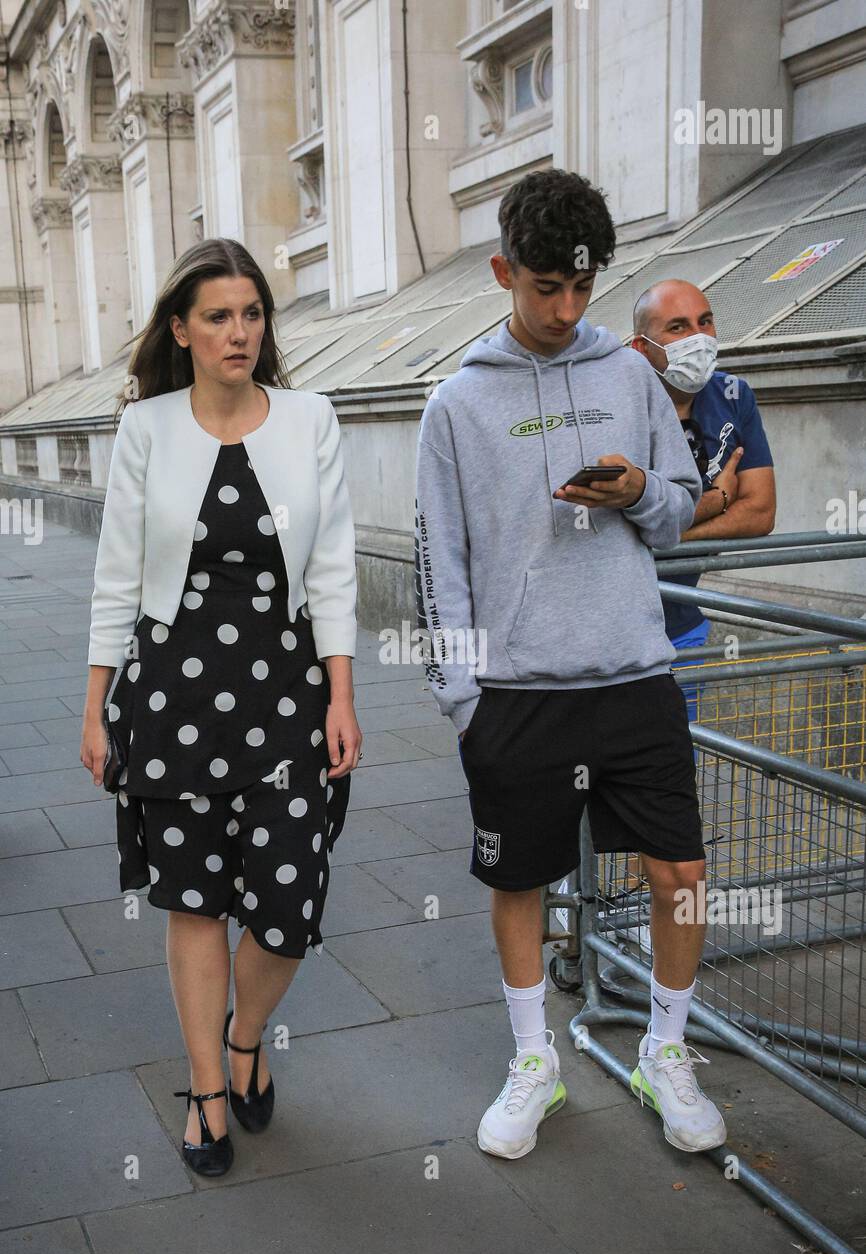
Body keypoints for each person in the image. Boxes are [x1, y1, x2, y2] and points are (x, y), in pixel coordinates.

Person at [414, 168, 727, 1162]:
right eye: (544, 286)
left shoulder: (631, 375)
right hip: (514, 695)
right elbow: (441, 567)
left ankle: (664, 1051)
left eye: (581, 288)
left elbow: (677, 512)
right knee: (522, 884)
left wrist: (638, 489)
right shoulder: (454, 404)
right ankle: (531, 1060)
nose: (564, 309)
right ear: (504, 270)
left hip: (632, 676)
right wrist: (463, 700)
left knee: (679, 869)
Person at [80, 238, 362, 1177]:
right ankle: (208, 1089)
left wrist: (343, 694)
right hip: (170, 692)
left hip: (287, 694)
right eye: (218, 316)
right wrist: (97, 706)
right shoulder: (146, 428)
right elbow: (116, 573)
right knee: (194, 899)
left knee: (289, 905)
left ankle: (248, 1036)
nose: (239, 332)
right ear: (182, 330)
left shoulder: (311, 418)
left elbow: (333, 568)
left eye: (252, 314)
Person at [631, 279, 776, 720]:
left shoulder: (733, 396)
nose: (698, 337)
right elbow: (615, 524)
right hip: (616, 637)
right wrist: (715, 501)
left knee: (678, 768)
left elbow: (761, 512)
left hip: (684, 627)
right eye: (677, 327)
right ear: (642, 347)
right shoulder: (619, 405)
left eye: (705, 321)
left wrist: (673, 528)